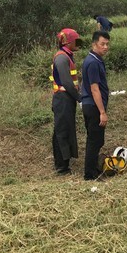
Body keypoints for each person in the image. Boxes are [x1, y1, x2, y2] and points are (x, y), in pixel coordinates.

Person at [50, 28, 83, 175]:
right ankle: (61, 167)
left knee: (65, 129)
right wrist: (79, 98)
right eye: (76, 40)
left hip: (67, 98)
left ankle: (65, 161)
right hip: (62, 99)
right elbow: (67, 82)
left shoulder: (67, 56)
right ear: (68, 42)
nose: (79, 43)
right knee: (61, 131)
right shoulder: (62, 58)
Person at [81, 31, 110, 180]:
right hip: (93, 106)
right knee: (94, 140)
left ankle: (93, 169)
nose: (105, 47)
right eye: (102, 44)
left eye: (107, 44)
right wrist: (102, 112)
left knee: (98, 140)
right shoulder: (92, 62)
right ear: (94, 44)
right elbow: (94, 88)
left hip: (92, 105)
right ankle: (89, 174)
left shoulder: (95, 59)